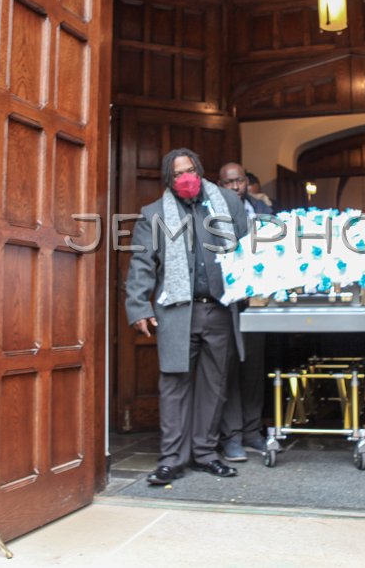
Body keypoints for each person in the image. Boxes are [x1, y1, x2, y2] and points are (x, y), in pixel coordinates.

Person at [125, 148, 249, 486]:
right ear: (169, 179)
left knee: (214, 385)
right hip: (177, 313)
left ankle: (206, 453)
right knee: (174, 385)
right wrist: (139, 306)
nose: (186, 178)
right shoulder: (153, 213)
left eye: (190, 170)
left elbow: (247, 249)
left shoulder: (228, 202)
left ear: (200, 170)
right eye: (178, 173)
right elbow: (141, 263)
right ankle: (171, 460)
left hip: (220, 309)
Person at [216, 162, 274, 461]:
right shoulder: (210, 212)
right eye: (229, 182)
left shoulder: (262, 210)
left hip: (256, 300)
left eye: (239, 181)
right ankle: (232, 437)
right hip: (224, 302)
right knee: (229, 369)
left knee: (253, 368)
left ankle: (252, 431)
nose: (235, 187)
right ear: (220, 185)